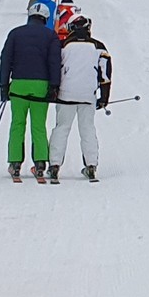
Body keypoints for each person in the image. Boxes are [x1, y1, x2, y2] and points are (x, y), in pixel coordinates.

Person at [0, 5, 63, 182]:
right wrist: (54, 86)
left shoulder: (15, 33)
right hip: (40, 86)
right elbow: (54, 62)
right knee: (38, 125)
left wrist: (3, 86)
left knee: (17, 124)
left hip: (18, 85)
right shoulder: (51, 36)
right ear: (45, 18)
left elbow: (5, 60)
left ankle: (15, 163)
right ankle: (40, 163)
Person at [49, 15, 112, 183]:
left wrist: (53, 90)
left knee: (61, 128)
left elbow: (55, 68)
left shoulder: (63, 46)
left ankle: (54, 166)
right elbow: (105, 75)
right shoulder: (99, 47)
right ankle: (91, 166)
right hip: (87, 95)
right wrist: (104, 98)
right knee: (87, 129)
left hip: (66, 94)